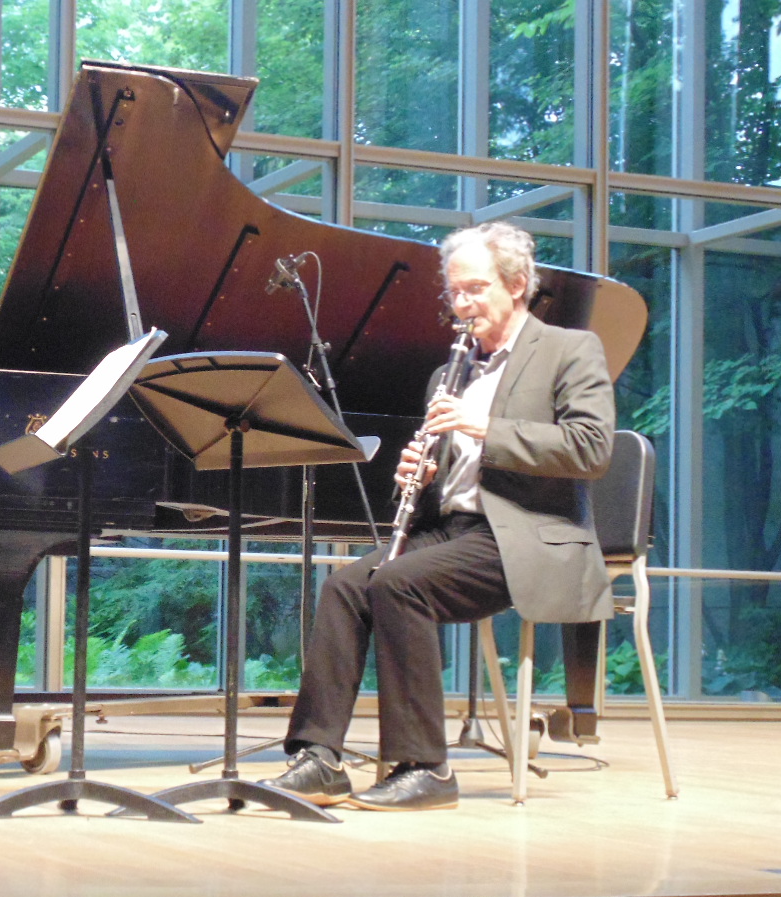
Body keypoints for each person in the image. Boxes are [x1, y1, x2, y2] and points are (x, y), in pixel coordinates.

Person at [261, 222, 616, 811]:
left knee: (398, 583)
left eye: (475, 289)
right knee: (346, 586)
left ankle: (426, 768)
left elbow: (591, 448)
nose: (462, 304)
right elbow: (450, 484)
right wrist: (420, 480)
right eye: (455, 292)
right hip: (453, 530)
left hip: (526, 535)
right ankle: (319, 758)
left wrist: (484, 427)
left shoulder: (569, 350)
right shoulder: (449, 374)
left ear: (517, 285)